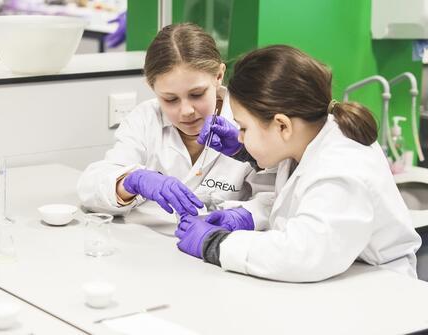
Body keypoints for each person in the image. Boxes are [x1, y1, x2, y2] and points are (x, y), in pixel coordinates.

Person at [175, 45, 422, 282]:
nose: (238, 136)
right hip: (343, 280)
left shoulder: (341, 166)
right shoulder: (309, 140)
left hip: (382, 295)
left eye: (243, 127)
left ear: (282, 125)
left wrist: (216, 244)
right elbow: (301, 203)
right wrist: (250, 214)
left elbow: (303, 253)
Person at [77, 23, 274, 220]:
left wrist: (243, 217)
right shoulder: (145, 119)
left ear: (219, 76)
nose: (186, 111)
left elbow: (277, 197)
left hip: (223, 245)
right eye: (170, 99)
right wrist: (130, 181)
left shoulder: (252, 120)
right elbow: (91, 188)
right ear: (151, 87)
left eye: (197, 94)